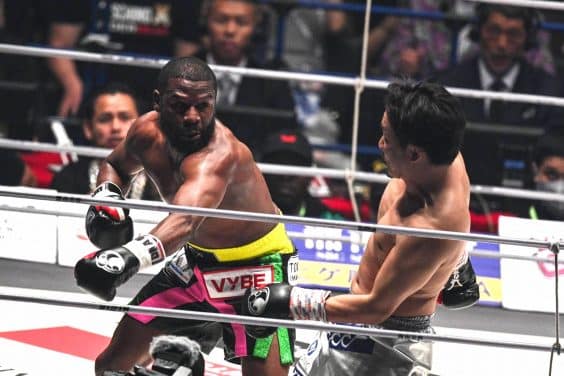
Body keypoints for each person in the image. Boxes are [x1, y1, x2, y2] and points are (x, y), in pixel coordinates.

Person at [73, 56, 297, 376]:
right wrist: (107, 197)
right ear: (157, 102)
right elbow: (116, 165)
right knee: (111, 366)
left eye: (203, 106)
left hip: (258, 269)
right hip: (197, 263)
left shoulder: (221, 155)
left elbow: (186, 220)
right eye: (180, 106)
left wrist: (124, 258)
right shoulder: (145, 132)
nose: (193, 117)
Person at [242, 80, 478, 375]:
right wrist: (458, 260)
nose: (380, 144)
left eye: (386, 137)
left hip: (384, 339)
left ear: (415, 153)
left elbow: (378, 307)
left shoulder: (429, 227)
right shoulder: (444, 152)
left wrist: (292, 301)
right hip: (353, 316)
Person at [437, 3, 564, 187]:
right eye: (494, 31)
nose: (502, 43)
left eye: (513, 34)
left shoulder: (548, 90)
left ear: (527, 38)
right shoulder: (448, 85)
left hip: (527, 195)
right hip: (456, 189)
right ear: (479, 31)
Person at [46, 0, 205, 117]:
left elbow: (186, 59)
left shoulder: (186, 4)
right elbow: (59, 43)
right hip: (93, 86)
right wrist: (72, 84)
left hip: (155, 90)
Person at [196, 0, 299, 153]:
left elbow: (283, 142)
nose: (230, 30)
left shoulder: (272, 84)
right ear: (206, 23)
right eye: (221, 20)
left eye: (241, 22)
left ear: (256, 29)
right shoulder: (179, 76)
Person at [50, 82, 157, 200]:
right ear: (88, 128)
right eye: (105, 119)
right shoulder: (69, 177)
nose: (115, 127)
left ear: (142, 124)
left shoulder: (162, 177)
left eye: (125, 117)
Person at [260, 129, 344, 220]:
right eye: (277, 164)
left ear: (310, 176)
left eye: (295, 166)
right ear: (261, 172)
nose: (286, 176)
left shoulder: (329, 221)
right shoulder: (243, 215)